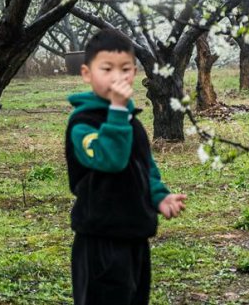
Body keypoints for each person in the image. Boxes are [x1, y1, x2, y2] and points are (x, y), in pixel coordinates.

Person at [65, 28, 187, 305]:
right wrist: (119, 112)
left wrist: (159, 196)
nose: (117, 77)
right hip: (101, 239)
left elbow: (144, 168)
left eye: (126, 69)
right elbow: (111, 158)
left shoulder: (129, 121)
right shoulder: (83, 123)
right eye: (107, 69)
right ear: (87, 73)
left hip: (134, 235)